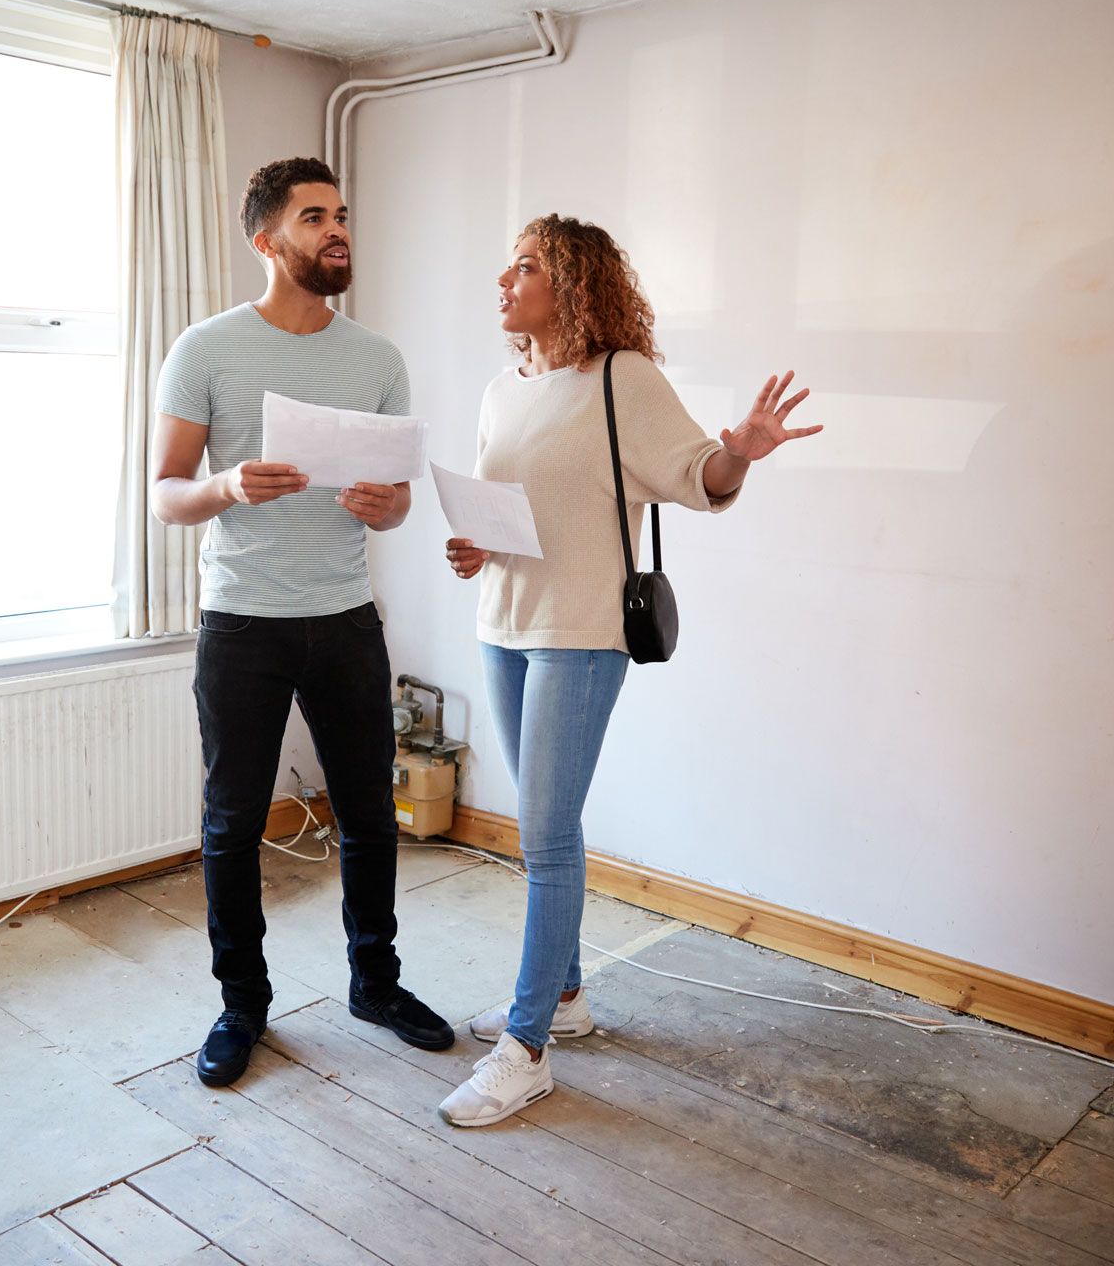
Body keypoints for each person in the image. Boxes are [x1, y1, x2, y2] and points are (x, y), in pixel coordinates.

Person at [437, 214, 821, 1126]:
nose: (504, 280)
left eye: (525, 267)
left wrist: (741, 451)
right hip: (503, 622)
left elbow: (700, 475)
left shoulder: (623, 379)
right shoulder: (502, 390)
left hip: (582, 631)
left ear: (571, 286)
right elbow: (520, 511)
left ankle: (526, 1048)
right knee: (541, 828)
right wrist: (473, 548)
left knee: (546, 834)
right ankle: (566, 999)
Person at [150, 157, 454, 1089]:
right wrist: (229, 485)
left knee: (369, 815)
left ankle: (376, 983)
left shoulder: (378, 360)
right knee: (232, 822)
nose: (338, 230)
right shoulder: (204, 349)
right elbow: (166, 495)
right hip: (242, 624)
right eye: (314, 216)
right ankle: (242, 1005)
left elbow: (400, 501)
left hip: (347, 618)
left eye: (342, 214)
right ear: (266, 241)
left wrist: (382, 507)